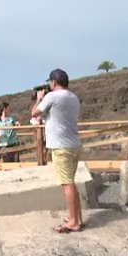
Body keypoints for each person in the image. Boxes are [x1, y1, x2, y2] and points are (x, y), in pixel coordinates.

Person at [31, 68, 82, 234]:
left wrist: (39, 99)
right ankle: (76, 217)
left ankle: (74, 222)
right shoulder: (73, 97)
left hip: (61, 147)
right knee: (70, 183)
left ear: (53, 82)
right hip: (74, 144)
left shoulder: (51, 97)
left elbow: (34, 112)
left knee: (66, 184)